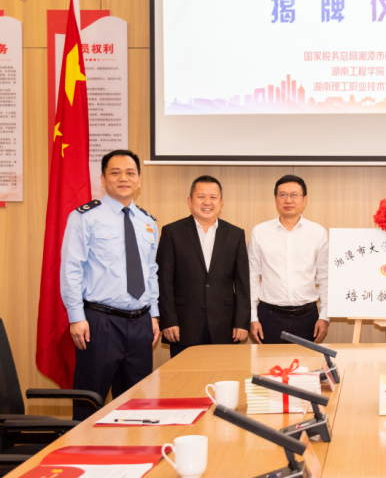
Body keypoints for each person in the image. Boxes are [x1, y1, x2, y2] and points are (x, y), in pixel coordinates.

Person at [61, 150, 160, 420]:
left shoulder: (148, 222)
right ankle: (83, 446)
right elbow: (71, 269)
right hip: (99, 323)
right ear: (103, 180)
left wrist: (153, 315)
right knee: (89, 401)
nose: (123, 178)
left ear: (139, 180)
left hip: (140, 324)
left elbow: (151, 272)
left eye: (130, 173)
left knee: (137, 404)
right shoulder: (84, 217)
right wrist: (76, 317)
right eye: (115, 173)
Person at [156, 175, 250, 358]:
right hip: (183, 325)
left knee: (223, 373)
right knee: (184, 375)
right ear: (190, 201)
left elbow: (243, 283)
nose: (207, 202)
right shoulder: (172, 232)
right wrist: (168, 320)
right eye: (201, 197)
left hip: (224, 325)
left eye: (213, 197)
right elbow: (164, 281)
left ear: (221, 202)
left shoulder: (235, 234)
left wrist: (241, 322)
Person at [248, 175, 329, 344]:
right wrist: (253, 317)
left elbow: (325, 276)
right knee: (268, 362)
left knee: (306, 361)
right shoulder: (260, 232)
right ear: (275, 199)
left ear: (304, 200)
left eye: (294, 195)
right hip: (269, 317)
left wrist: (324, 316)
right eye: (283, 195)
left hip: (307, 318)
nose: (288, 200)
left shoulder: (317, 232)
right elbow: (252, 276)